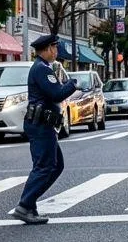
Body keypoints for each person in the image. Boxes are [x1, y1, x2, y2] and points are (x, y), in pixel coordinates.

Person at [11, 34, 79, 225]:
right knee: (45, 167)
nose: (57, 51)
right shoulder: (42, 69)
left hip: (44, 123)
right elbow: (56, 93)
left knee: (55, 166)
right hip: (41, 124)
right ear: (48, 49)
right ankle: (25, 205)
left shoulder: (44, 68)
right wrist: (72, 84)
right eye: (55, 48)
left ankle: (30, 206)